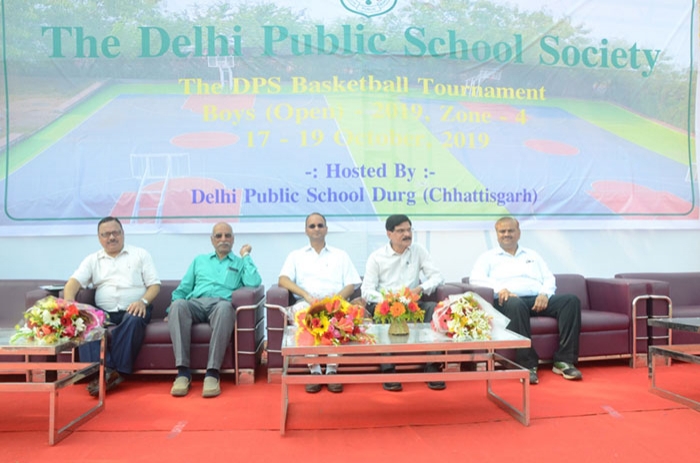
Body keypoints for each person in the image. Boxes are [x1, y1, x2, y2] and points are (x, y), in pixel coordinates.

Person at [470, 216, 583, 385]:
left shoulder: (532, 255)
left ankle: (564, 361)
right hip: (509, 301)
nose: (506, 234)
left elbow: (548, 278)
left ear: (519, 233)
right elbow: (475, 279)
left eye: (510, 230)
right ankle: (527, 365)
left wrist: (544, 294)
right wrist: (499, 288)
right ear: (497, 234)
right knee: (516, 305)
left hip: (536, 299)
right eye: (502, 231)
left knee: (571, 301)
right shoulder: (488, 257)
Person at [64, 216, 161, 396]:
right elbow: (73, 283)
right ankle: (105, 373)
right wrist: (70, 303)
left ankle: (109, 373)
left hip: (135, 308)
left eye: (115, 232)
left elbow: (154, 285)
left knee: (133, 318)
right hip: (104, 312)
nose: (111, 237)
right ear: (99, 238)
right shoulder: (93, 259)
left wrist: (143, 301)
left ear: (123, 233)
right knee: (85, 323)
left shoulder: (140, 254)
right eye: (106, 234)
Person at [168, 222, 262, 398]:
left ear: (233, 239)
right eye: (218, 236)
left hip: (220, 305)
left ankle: (212, 373)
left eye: (227, 236)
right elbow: (184, 288)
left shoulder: (240, 262)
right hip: (195, 303)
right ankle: (182, 373)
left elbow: (253, 282)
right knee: (178, 305)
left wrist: (246, 255)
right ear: (212, 240)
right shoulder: (199, 260)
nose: (223, 239)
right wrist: (171, 310)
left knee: (225, 308)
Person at [278, 212, 362, 394]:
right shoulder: (296, 255)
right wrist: (306, 295)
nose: (316, 229)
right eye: (312, 226)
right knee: (305, 317)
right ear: (306, 230)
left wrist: (333, 302)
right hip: (307, 302)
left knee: (339, 319)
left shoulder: (340, 255)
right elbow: (283, 280)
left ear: (326, 229)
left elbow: (351, 284)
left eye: (320, 225)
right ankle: (314, 371)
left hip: (335, 302)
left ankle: (332, 370)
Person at [361, 214, 446, 392]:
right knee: (379, 312)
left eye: (409, 230)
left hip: (412, 304)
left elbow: (437, 276)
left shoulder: (418, 251)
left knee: (434, 309)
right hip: (386, 304)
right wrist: (389, 299)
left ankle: (432, 366)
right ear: (389, 234)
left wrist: (420, 288)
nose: (407, 234)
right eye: (401, 231)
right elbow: (366, 290)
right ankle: (388, 370)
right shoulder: (377, 257)